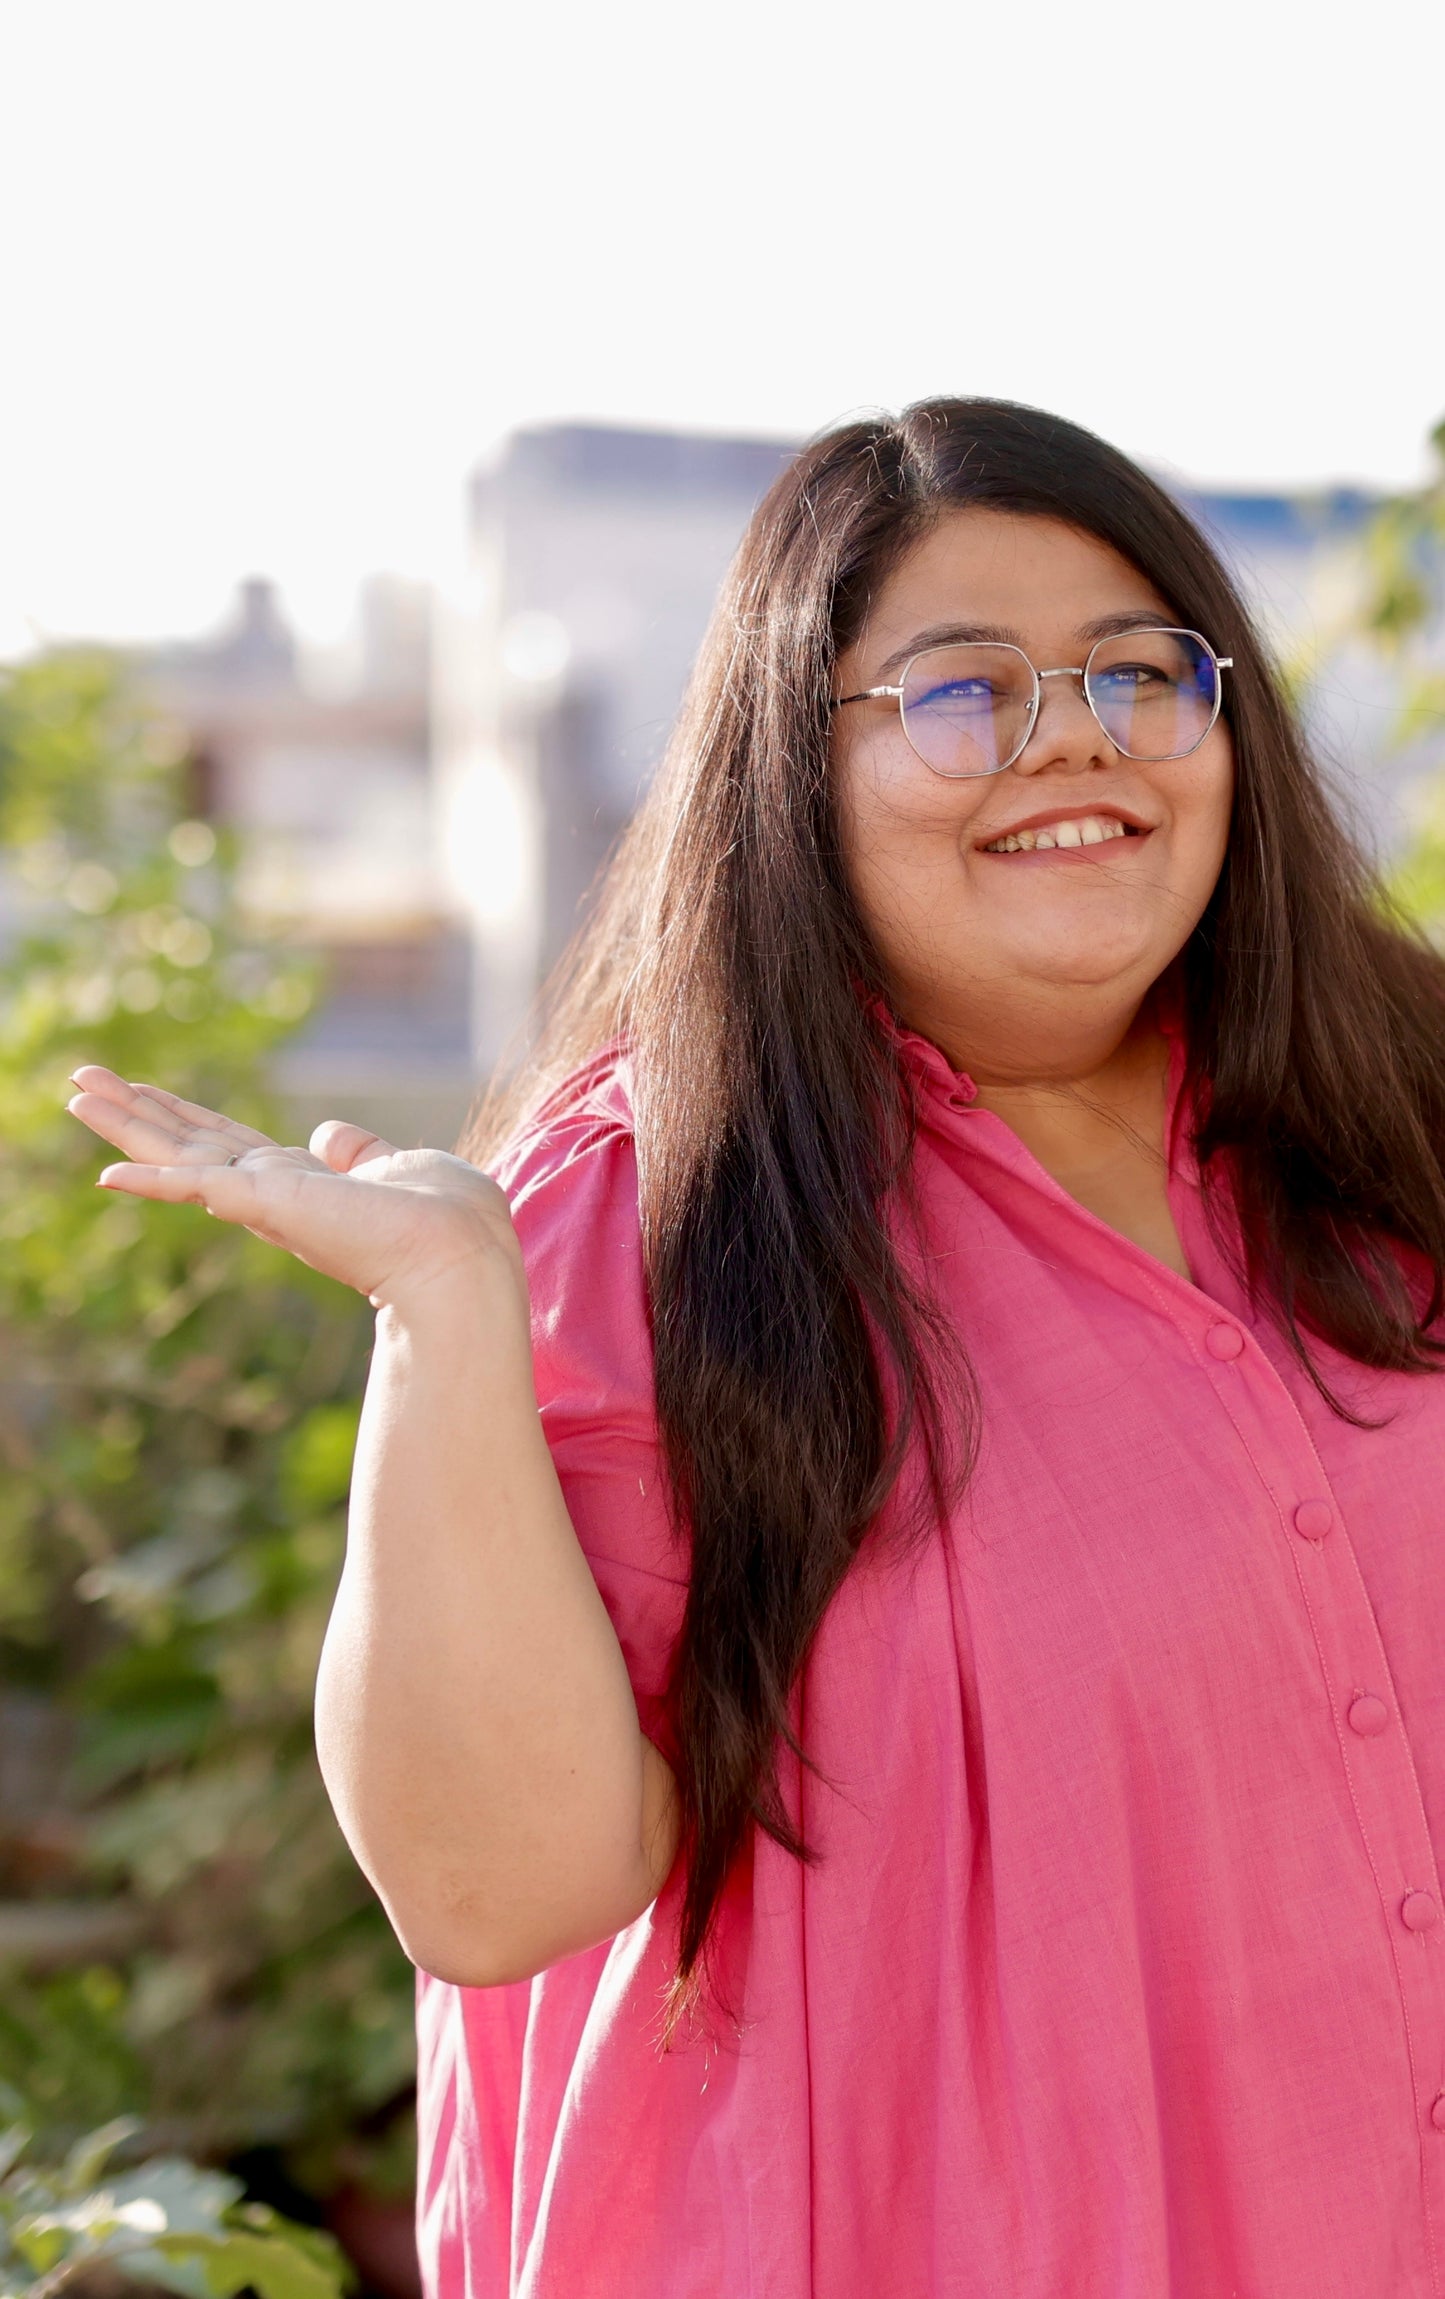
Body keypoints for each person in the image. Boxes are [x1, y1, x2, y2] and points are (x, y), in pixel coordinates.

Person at [67, 399, 1445, 2298]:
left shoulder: (1400, 1112)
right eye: (961, 695)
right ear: (790, 768)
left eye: (1140, 674)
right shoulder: (646, 1216)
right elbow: (496, 1895)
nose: (1073, 739)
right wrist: (447, 1318)